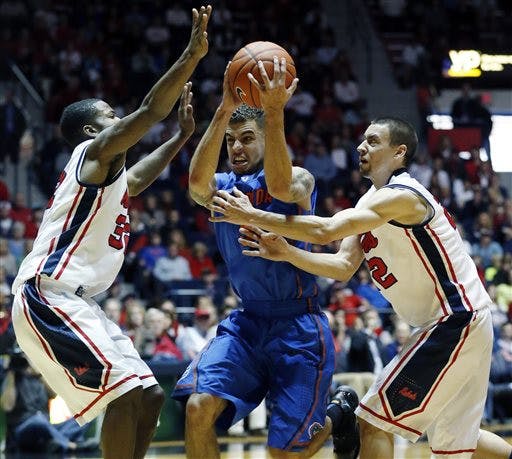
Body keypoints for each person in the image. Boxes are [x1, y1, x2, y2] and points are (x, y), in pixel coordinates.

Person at [209, 116, 512, 459]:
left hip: (455, 319)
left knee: (372, 421)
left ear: (399, 153)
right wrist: (286, 252)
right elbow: (341, 267)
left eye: (372, 141)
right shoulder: (371, 200)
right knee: (455, 440)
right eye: (362, 140)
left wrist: (250, 215)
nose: (360, 147)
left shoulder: (404, 195)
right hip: (455, 323)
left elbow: (326, 230)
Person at [9, 6, 211, 459]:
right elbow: (149, 110)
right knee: (122, 396)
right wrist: (191, 57)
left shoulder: (108, 174)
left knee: (149, 396)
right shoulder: (92, 150)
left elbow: (136, 180)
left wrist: (180, 139)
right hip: (47, 294)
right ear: (90, 129)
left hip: (78, 300)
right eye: (109, 114)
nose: (117, 118)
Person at [172, 58, 359, 459]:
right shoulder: (222, 186)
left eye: (246, 138)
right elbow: (196, 185)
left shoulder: (299, 179)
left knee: (283, 454)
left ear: (264, 138)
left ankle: (337, 416)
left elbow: (280, 182)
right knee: (199, 407)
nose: (236, 147)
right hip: (248, 322)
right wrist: (222, 110)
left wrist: (274, 115)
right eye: (231, 140)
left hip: (298, 324)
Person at [1, 348, 99, 455]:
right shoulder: (10, 377)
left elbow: (54, 395)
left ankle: (53, 442)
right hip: (23, 429)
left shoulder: (39, 375)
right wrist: (11, 372)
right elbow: (7, 406)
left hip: (46, 427)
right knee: (38, 421)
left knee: (85, 417)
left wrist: (38, 374)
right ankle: (72, 445)